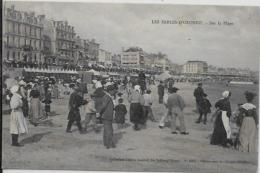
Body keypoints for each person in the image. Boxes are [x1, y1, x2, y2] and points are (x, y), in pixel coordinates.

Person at [98, 84, 117, 149]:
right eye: (113, 90)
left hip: (107, 115)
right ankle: (110, 143)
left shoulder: (108, 96)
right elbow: (103, 106)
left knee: (106, 130)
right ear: (110, 91)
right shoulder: (107, 97)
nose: (114, 91)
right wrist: (99, 113)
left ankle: (106, 143)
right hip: (106, 116)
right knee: (109, 130)